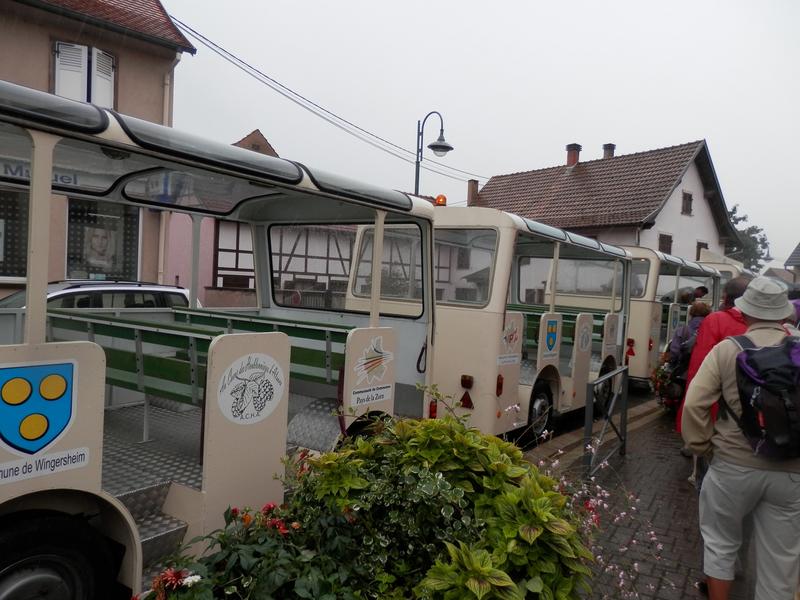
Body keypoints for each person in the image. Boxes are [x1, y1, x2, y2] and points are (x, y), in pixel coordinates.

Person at [682, 277, 800, 600]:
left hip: (732, 466)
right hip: (791, 472)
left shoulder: (727, 351)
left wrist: (702, 446)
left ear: (745, 314)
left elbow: (695, 404)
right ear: (783, 315)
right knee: (781, 562)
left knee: (720, 545)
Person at [676, 276, 752, 433]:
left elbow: (699, 370)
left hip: (719, 411)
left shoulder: (716, 320)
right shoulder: (768, 325)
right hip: (758, 416)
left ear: (725, 296)